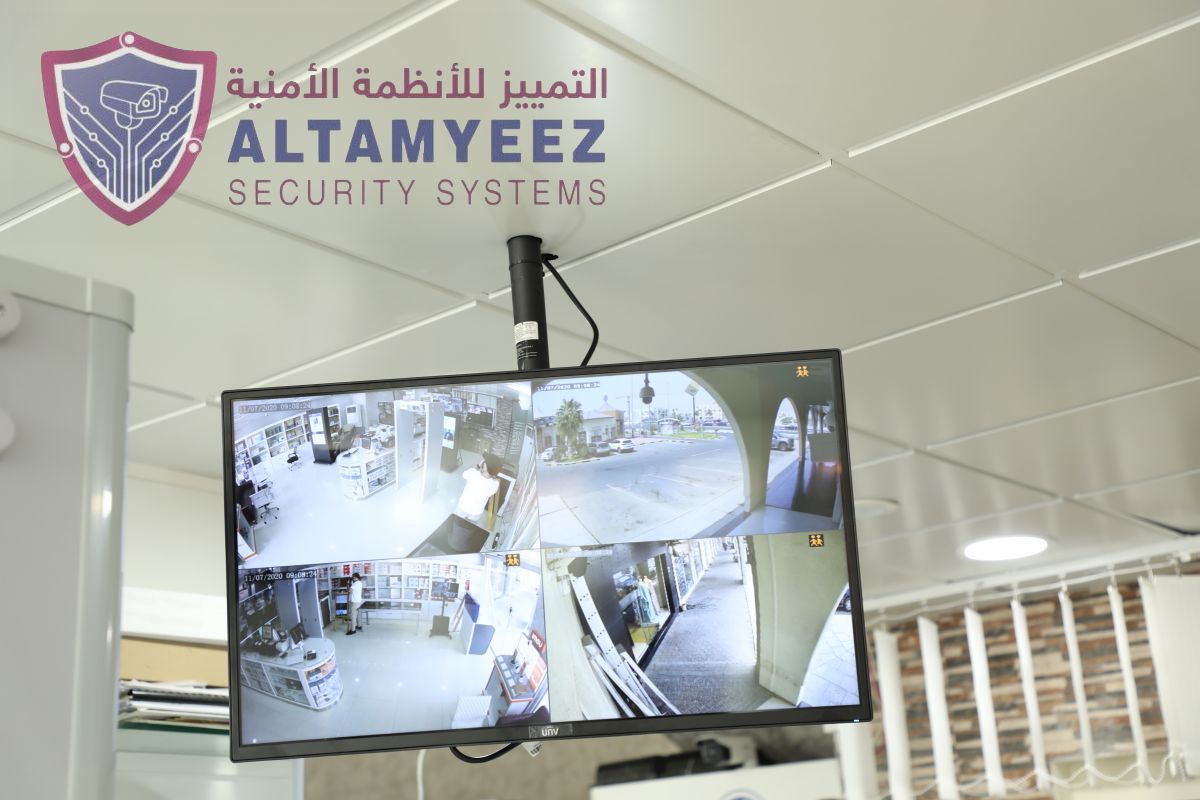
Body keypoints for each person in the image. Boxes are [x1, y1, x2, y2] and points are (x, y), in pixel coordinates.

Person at [455, 454, 502, 524]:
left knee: (456, 522)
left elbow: (464, 473)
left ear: (485, 466)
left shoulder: (473, 473)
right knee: (469, 526)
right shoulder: (495, 484)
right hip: (477, 512)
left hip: (463, 507)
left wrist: (477, 466)